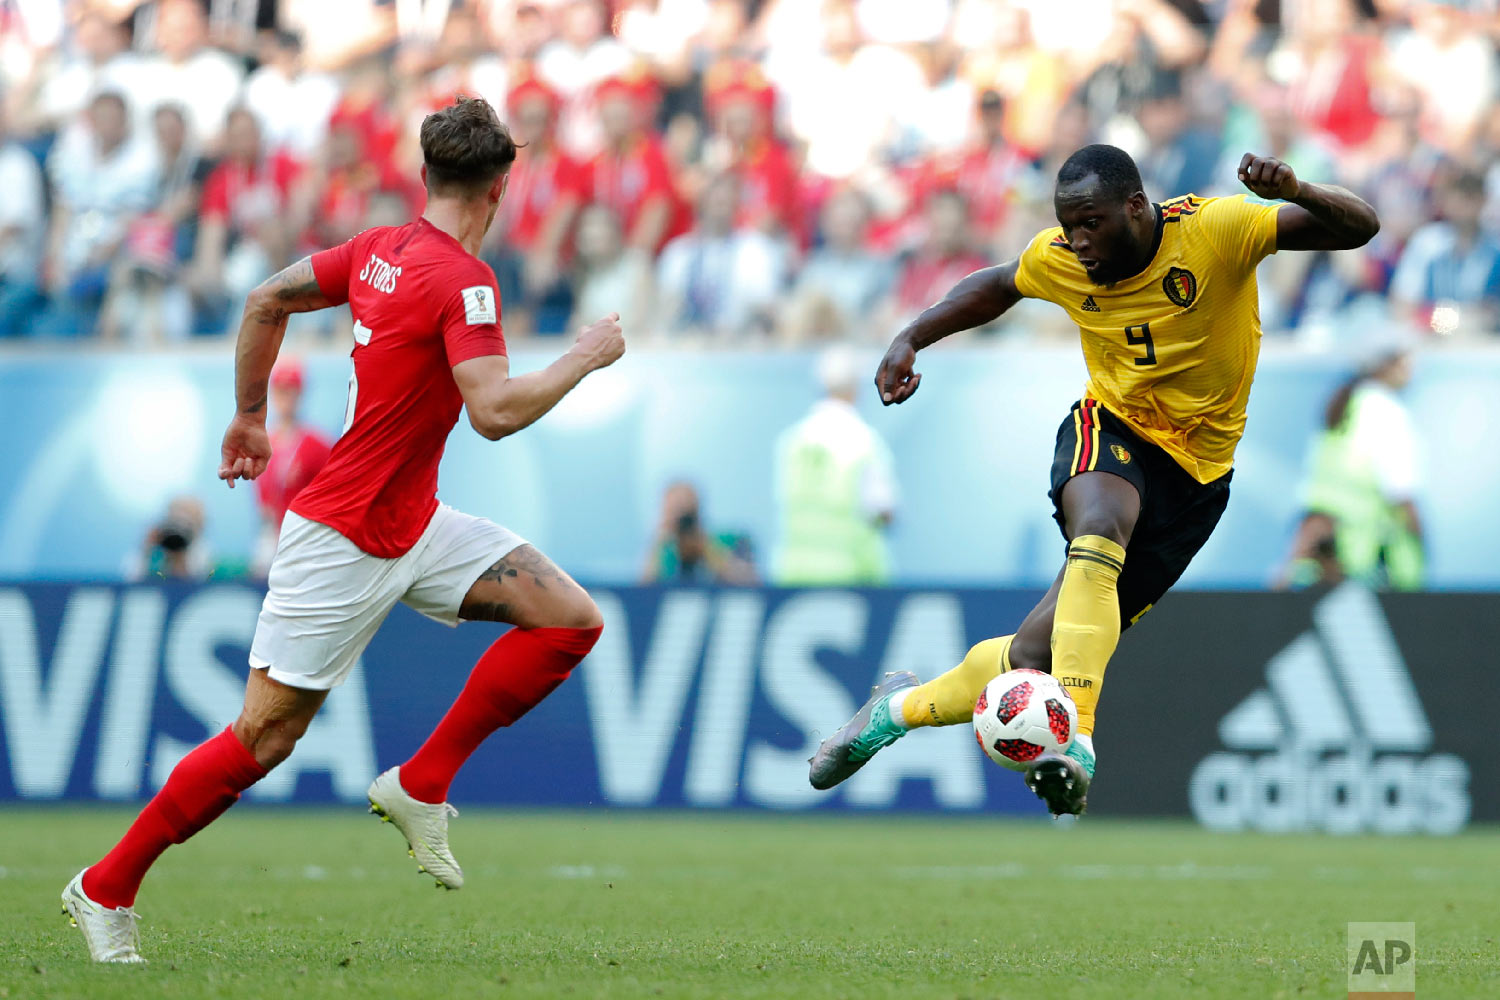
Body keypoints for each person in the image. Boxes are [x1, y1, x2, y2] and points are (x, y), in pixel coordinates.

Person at [63, 96, 626, 963]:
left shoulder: (376, 250)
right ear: (502, 187)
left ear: (427, 176)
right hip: (346, 535)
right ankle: (104, 888)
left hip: (413, 521)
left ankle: (423, 782)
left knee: (570, 620)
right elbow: (495, 412)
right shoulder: (466, 282)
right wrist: (583, 356)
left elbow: (264, 298)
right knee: (264, 739)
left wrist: (250, 417)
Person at [808, 144, 1379, 816]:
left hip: (1196, 477)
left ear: (1137, 207)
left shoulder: (1216, 231)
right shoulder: (1063, 258)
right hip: (1110, 430)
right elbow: (998, 284)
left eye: (1092, 224)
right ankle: (1076, 741)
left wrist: (1299, 188)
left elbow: (1359, 227)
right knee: (1101, 522)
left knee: (1031, 654)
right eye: (1068, 225)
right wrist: (912, 335)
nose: (1077, 242)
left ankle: (894, 714)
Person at [1280, 343, 1424, 591]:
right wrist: (1419, 540)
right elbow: (1400, 490)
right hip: (1367, 557)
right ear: (1387, 365)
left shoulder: (1342, 406)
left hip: (1321, 546)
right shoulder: (1387, 411)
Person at [772, 347, 899, 585]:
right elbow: (883, 508)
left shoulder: (793, 441)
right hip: (852, 575)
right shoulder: (864, 442)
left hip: (795, 573)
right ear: (856, 389)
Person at [251, 360, 332, 578]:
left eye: (291, 391)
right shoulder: (263, 442)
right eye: (280, 391)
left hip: (307, 540)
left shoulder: (318, 445)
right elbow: (263, 498)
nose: (286, 398)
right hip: (273, 536)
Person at [641, 480, 757, 585]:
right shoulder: (665, 549)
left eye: (686, 510)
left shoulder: (728, 541)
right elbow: (643, 590)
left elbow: (749, 581)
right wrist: (658, 542)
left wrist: (705, 547)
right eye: (674, 510)